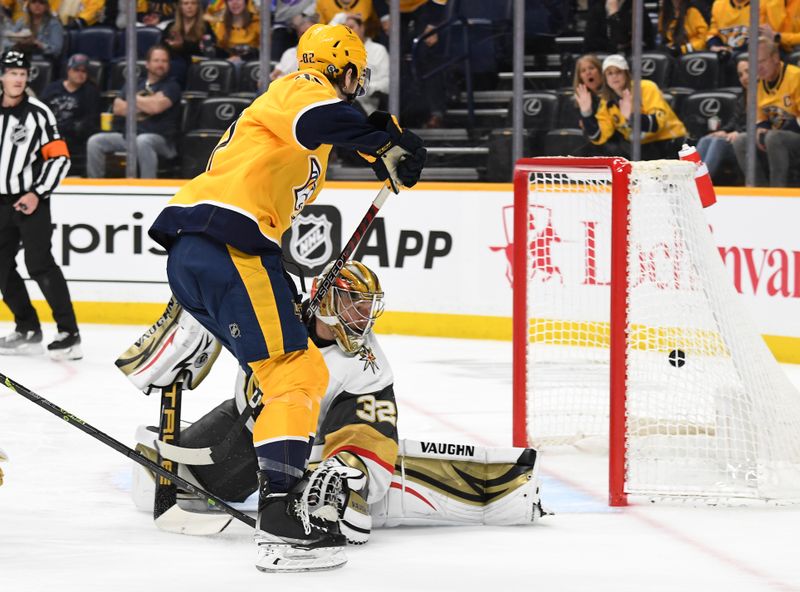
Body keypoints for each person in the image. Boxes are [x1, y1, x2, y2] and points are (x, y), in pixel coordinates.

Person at [146, 23, 426, 572]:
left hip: (211, 252)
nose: (355, 86)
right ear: (336, 69)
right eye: (352, 76)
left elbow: (328, 131)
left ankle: (245, 477)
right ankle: (281, 518)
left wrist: (383, 147)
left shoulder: (308, 119)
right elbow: (321, 117)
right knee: (297, 374)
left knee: (285, 373)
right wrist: (384, 139)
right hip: (227, 246)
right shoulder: (300, 87)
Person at [122, 262, 544, 550]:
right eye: (352, 304)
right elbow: (220, 292)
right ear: (325, 301)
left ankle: (497, 486)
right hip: (240, 424)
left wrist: (351, 479)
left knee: (343, 494)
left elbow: (369, 434)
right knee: (155, 476)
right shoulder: (279, 316)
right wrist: (189, 322)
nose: (363, 317)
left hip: (298, 453)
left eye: (367, 307)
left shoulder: (366, 369)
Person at [0, 50, 81, 360]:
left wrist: (37, 192)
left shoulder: (39, 113)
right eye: (12, 72)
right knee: (1, 267)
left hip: (31, 201)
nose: (18, 78)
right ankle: (27, 328)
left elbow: (60, 158)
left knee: (40, 264)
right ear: (3, 76)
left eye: (23, 73)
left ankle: (69, 333)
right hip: (1, 204)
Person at [86, 45, 180, 179]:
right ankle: (94, 187)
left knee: (143, 141)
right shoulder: (135, 83)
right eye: (156, 60)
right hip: (128, 137)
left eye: (164, 61)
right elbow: (118, 108)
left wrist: (132, 98)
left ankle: (147, 188)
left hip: (160, 140)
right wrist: (149, 101)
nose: (161, 64)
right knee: (95, 141)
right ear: (147, 64)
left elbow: (156, 108)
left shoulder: (172, 86)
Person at [581, 54, 688, 160]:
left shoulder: (646, 88)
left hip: (670, 143)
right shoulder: (607, 102)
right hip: (644, 150)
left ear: (626, 74)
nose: (614, 76)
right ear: (605, 79)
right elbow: (600, 137)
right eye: (609, 73)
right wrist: (587, 113)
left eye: (618, 72)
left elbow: (657, 124)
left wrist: (631, 117)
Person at [732, 36, 800, 186]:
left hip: (795, 137)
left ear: (775, 58)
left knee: (773, 138)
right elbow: (759, 119)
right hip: (775, 138)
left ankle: (777, 193)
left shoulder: (796, 77)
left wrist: (770, 133)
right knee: (741, 141)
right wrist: (761, 130)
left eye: (761, 61)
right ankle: (759, 191)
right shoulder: (757, 85)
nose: (758, 68)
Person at [39, 53, 100, 176]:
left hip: (74, 138)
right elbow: (40, 111)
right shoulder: (52, 88)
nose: (80, 74)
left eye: (84, 71)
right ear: (68, 70)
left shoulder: (90, 92)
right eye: (76, 70)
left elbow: (90, 121)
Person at [696, 54, 749, 184]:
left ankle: (702, 183)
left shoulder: (765, 94)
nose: (744, 78)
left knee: (718, 143)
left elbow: (761, 122)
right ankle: (689, 178)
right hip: (734, 137)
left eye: (747, 72)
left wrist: (739, 133)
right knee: (707, 139)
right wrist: (723, 131)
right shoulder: (742, 97)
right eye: (740, 74)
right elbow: (733, 121)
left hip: (746, 139)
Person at [161, 0, 216, 85]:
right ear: (180, 6)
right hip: (175, 65)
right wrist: (173, 47)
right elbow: (162, 48)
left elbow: (208, 51)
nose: (189, 7)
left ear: (198, 6)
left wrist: (181, 46)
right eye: (186, 3)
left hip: (197, 66)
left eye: (193, 3)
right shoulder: (171, 26)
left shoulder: (205, 27)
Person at [343, 13, 388, 115]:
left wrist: (363, 88)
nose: (348, 32)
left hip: (367, 109)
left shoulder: (378, 50)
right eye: (345, 29)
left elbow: (387, 83)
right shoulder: (340, 52)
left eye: (351, 27)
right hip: (343, 107)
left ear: (362, 27)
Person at [4, 0, 64, 65]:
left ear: (46, 6)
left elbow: (56, 50)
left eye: (41, 3)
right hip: (21, 58)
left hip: (43, 60)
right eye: (33, 2)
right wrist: (18, 42)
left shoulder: (54, 24)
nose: (37, 5)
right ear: (28, 5)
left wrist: (37, 43)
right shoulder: (22, 21)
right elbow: (6, 43)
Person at [572, 54, 608, 156]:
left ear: (600, 71)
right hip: (590, 146)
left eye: (592, 68)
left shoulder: (612, 96)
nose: (588, 73)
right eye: (583, 71)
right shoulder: (577, 100)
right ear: (580, 77)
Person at [213, 0, 260, 64]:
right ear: (227, 3)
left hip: (252, 64)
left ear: (245, 2)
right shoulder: (221, 24)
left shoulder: (257, 22)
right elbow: (219, 50)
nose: (234, 3)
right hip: (228, 65)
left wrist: (242, 58)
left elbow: (264, 50)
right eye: (230, 0)